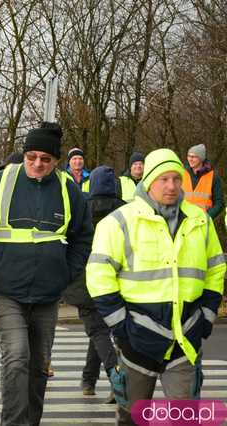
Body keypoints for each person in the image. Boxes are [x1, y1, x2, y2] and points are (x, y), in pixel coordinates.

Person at [0, 122, 93, 426]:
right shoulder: (0, 182)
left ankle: (30, 421)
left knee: (38, 365)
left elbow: (83, 237)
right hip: (5, 290)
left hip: (48, 294)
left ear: (56, 162)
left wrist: (66, 273)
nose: (37, 164)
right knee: (17, 356)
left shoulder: (67, 190)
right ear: (24, 155)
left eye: (45, 159)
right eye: (31, 156)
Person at [86, 148, 225, 425]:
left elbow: (216, 269)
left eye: (176, 178)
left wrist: (207, 317)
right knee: (132, 419)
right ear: (148, 181)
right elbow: (99, 274)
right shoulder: (120, 221)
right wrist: (121, 325)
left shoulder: (201, 220)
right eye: (163, 179)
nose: (172, 186)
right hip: (137, 339)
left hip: (185, 339)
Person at [63, 166, 124, 403]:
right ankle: (88, 379)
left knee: (97, 330)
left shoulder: (81, 208)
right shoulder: (126, 210)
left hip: (83, 280)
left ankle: (117, 379)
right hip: (116, 280)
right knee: (100, 330)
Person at [182, 143, 224, 220]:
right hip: (183, 221)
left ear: (201, 158)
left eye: (193, 157)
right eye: (188, 156)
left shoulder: (213, 177)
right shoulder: (182, 173)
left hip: (203, 223)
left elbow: (219, 204)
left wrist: (207, 217)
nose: (190, 159)